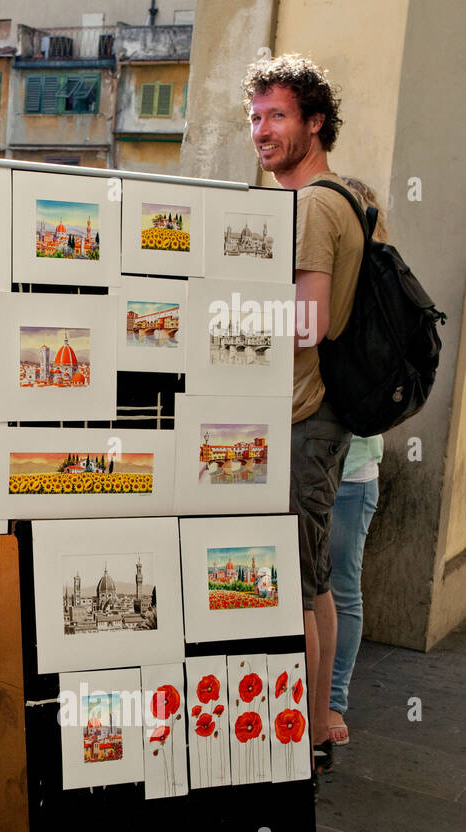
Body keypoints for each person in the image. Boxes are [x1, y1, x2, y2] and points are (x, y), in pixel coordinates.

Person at [243, 55, 364, 779]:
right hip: (315, 415)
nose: (262, 131)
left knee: (294, 582)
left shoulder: (315, 203)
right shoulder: (336, 197)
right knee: (313, 579)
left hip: (302, 414)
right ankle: (316, 725)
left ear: (314, 122)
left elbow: (308, 322)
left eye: (278, 116)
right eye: (256, 117)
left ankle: (302, 742)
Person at [326, 177, 388, 750]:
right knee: (321, 587)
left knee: (339, 588)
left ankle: (334, 700)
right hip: (329, 464)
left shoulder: (375, 290)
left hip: (350, 467)